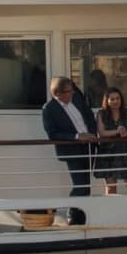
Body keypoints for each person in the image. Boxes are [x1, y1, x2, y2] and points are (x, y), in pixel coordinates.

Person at [43, 76, 97, 208]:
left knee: (86, 185)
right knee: (80, 186)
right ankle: (72, 214)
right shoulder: (49, 109)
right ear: (57, 94)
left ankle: (83, 216)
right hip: (73, 151)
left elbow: (89, 115)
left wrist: (93, 133)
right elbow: (53, 134)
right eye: (69, 91)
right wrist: (77, 136)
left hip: (90, 147)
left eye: (72, 90)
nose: (72, 93)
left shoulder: (76, 98)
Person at [94, 87, 127, 195]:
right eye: (112, 99)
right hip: (107, 154)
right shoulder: (101, 114)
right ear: (107, 101)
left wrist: (125, 133)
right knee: (111, 189)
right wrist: (117, 132)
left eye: (117, 98)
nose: (115, 101)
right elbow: (102, 133)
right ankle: (111, 211)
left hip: (125, 152)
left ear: (121, 99)